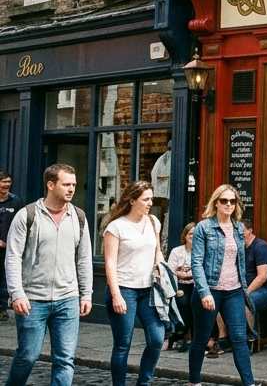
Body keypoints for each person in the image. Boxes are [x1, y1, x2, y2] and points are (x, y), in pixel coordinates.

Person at [5, 164, 93, 386]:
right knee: (28, 356)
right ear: (50, 184)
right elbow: (13, 257)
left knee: (65, 360)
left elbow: (84, 259)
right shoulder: (27, 215)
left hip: (68, 299)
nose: (71, 189)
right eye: (66, 184)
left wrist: (86, 294)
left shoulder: (79, 217)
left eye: (73, 184)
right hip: (33, 299)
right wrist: (17, 294)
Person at [188, 185, 256, 386]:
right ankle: (194, 381)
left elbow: (240, 262)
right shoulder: (204, 227)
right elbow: (196, 262)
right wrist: (204, 291)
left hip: (233, 291)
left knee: (239, 338)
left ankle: (249, 383)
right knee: (201, 338)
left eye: (232, 201)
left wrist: (244, 289)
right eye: (224, 201)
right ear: (216, 203)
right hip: (210, 290)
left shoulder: (237, 228)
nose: (228, 205)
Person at [101, 181, 167, 386]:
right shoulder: (116, 227)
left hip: (149, 290)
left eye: (151, 199)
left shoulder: (154, 221)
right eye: (145, 199)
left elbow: (157, 250)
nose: (150, 203)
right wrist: (116, 295)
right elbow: (110, 263)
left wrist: (161, 267)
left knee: (157, 339)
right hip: (124, 289)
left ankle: (144, 382)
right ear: (132, 200)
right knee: (123, 344)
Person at [242, 222, 267, 335]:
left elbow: (262, 277)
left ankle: (249, 340)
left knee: (245, 302)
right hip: (246, 288)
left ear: (250, 230)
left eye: (242, 231)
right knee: (221, 299)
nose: (238, 234)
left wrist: (246, 293)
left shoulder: (261, 247)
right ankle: (224, 338)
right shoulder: (240, 248)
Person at [166, 223, 197, 352]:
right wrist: (181, 274)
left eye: (195, 234)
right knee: (183, 302)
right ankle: (183, 334)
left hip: (196, 285)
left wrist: (188, 274)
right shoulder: (176, 251)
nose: (193, 236)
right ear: (185, 235)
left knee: (195, 304)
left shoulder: (201, 250)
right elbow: (170, 270)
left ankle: (186, 336)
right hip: (179, 285)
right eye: (190, 234)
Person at [0, 171, 19, 322]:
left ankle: (3, 308)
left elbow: (21, 223)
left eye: (8, 182)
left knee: (7, 276)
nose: (6, 184)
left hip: (10, 247)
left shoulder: (16, 201)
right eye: (3, 181)